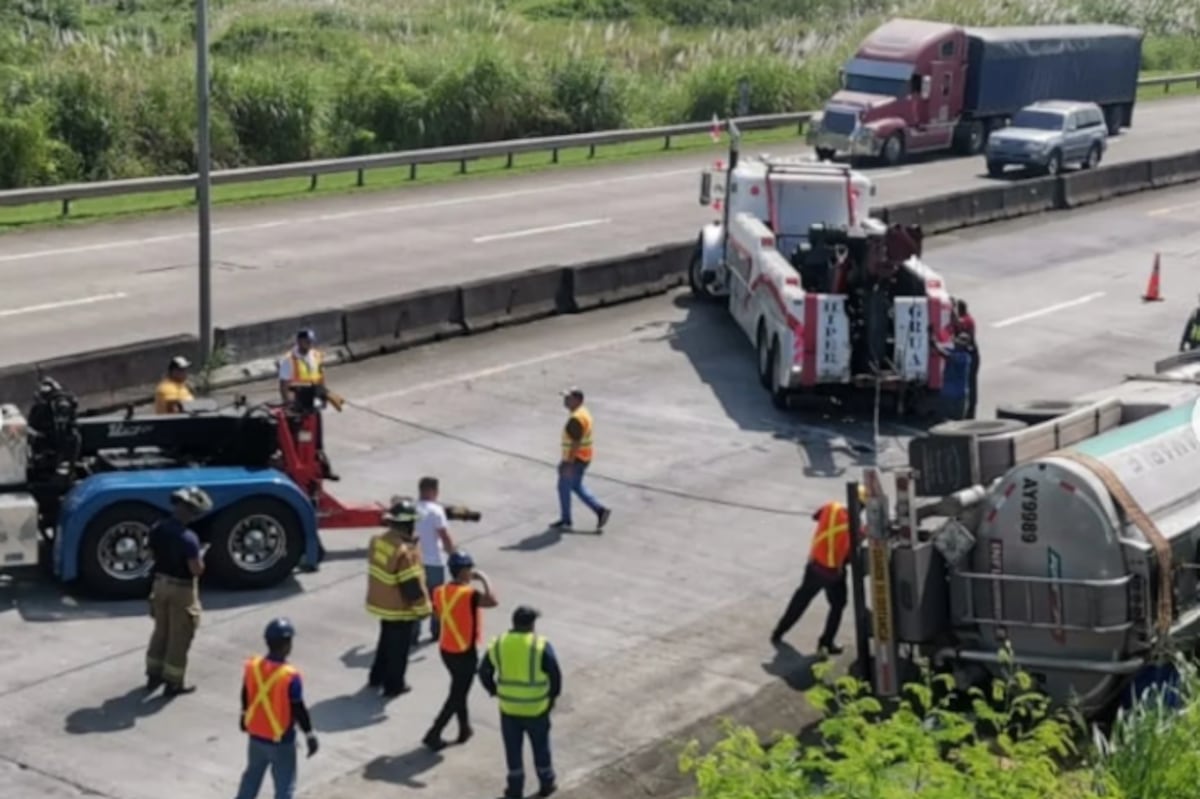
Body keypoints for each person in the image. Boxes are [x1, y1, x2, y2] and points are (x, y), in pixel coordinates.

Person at [479, 606, 562, 799]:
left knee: (513, 749)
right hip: (536, 708)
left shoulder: (499, 643)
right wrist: (552, 697)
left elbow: (484, 671)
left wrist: (493, 690)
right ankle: (546, 783)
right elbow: (555, 674)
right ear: (532, 625)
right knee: (541, 746)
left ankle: (515, 789)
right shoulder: (539, 645)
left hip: (509, 708)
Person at [770, 489, 865, 657]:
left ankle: (779, 631)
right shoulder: (857, 529)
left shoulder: (831, 507)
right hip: (833, 573)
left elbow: (816, 516)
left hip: (814, 566)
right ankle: (826, 642)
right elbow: (850, 556)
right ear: (863, 507)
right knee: (838, 605)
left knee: (801, 599)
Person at [422, 550, 498, 751]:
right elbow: (492, 601)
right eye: (470, 569)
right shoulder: (469, 594)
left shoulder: (439, 591)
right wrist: (484, 579)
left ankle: (464, 728)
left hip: (447, 648)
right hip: (465, 651)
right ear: (464, 571)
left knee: (459, 689)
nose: (471, 572)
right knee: (457, 694)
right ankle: (434, 733)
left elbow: (437, 615)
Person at [234, 618, 318, 799]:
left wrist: (243, 715)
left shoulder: (253, 666)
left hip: (256, 735)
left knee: (251, 778)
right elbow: (298, 708)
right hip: (281, 739)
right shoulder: (289, 676)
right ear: (287, 644)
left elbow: (245, 693)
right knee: (285, 786)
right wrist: (309, 734)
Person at [145, 486, 213, 696]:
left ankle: (153, 674)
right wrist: (201, 556)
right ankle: (173, 682)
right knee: (179, 636)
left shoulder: (158, 528)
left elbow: (149, 555)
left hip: (159, 585)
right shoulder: (189, 539)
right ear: (191, 513)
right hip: (181, 590)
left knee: (160, 631)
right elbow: (196, 570)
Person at [365, 498, 431, 698]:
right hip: (399, 608)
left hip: (381, 604)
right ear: (407, 524)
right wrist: (424, 609)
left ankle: (376, 677)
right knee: (399, 650)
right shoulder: (404, 552)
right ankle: (394, 685)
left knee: (385, 642)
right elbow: (411, 586)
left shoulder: (378, 542)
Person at [277, 328, 338, 480]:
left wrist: (323, 397)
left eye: (311, 341)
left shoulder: (316, 355)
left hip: (313, 400)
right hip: (298, 402)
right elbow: (284, 385)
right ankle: (299, 468)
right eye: (306, 341)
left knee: (316, 437)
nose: (309, 344)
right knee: (302, 437)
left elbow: (320, 377)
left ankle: (321, 467)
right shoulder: (289, 360)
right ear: (299, 342)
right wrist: (288, 404)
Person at [550, 387, 611, 533]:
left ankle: (566, 521)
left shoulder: (576, 419)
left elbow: (576, 442)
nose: (565, 400)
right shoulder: (583, 413)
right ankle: (600, 510)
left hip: (575, 460)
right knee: (576, 486)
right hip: (584, 457)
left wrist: (568, 464)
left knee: (563, 487)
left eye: (568, 398)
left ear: (578, 400)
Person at [413, 476, 457, 646]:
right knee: (436, 600)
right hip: (434, 562)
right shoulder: (436, 511)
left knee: (417, 598)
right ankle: (435, 631)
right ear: (433, 491)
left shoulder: (412, 509)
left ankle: (413, 634)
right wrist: (453, 553)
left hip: (416, 561)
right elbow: (444, 536)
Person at [931, 332, 974, 421]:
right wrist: (932, 338)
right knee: (943, 419)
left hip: (958, 396)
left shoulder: (964, 357)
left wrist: (934, 342)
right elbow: (938, 348)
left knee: (957, 422)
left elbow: (945, 354)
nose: (956, 343)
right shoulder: (953, 351)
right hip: (948, 393)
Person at [953, 299, 981, 419]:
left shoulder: (967, 320)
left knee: (971, 383)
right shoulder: (966, 319)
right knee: (968, 383)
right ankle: (968, 409)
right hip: (969, 354)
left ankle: (971, 411)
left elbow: (960, 325)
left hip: (971, 355)